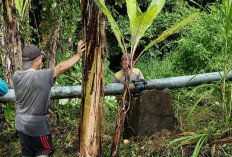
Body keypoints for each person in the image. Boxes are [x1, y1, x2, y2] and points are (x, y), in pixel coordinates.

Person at [12, 40, 85, 157]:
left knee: (27, 152)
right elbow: (60, 68)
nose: (41, 63)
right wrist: (78, 55)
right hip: (37, 126)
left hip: (20, 124)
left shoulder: (16, 76)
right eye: (41, 59)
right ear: (36, 60)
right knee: (44, 151)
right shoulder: (40, 76)